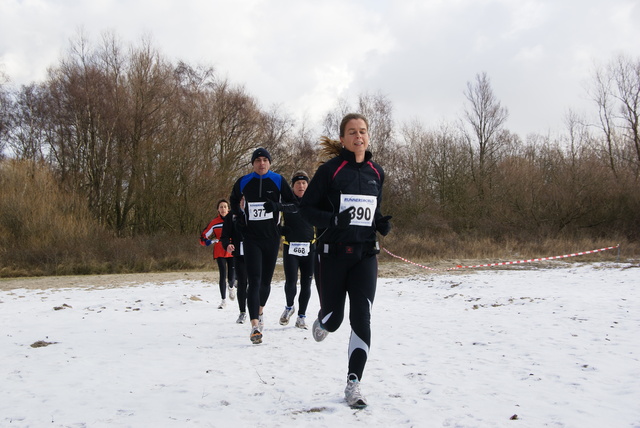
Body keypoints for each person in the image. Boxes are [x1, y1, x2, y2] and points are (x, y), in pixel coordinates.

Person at [300, 113, 392, 408]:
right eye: (352, 132)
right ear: (342, 139)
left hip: (365, 255)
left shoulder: (377, 172)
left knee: (361, 317)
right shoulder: (330, 170)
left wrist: (380, 222)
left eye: (362, 131)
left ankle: (354, 383)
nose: (358, 136)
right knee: (335, 319)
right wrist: (333, 220)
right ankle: (324, 319)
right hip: (332, 255)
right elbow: (306, 209)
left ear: (368, 136)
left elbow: (370, 208)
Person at [229, 148, 296, 344]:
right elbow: (233, 201)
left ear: (269, 163)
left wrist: (277, 207)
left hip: (271, 238)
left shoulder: (278, 180)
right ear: (252, 163)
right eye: (257, 160)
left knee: (265, 282)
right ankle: (255, 326)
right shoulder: (243, 181)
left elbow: (293, 205)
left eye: (265, 160)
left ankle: (260, 311)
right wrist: (240, 217)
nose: (261, 163)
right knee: (254, 281)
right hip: (251, 238)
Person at [278, 171, 315, 329]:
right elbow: (274, 221)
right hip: (291, 248)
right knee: (291, 282)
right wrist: (280, 230)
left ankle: (301, 317)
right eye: (298, 183)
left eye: (304, 183)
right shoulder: (286, 202)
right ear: (293, 186)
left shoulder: (313, 201)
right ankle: (289, 307)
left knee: (306, 284)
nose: (301, 186)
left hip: (309, 248)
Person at [200, 199, 236, 309]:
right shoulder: (214, 222)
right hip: (220, 250)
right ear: (218, 209)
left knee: (231, 276)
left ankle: (231, 287)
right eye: (221, 207)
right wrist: (209, 241)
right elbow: (203, 236)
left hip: (233, 250)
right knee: (222, 275)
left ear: (228, 209)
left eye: (225, 207)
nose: (223, 209)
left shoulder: (234, 219)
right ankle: (223, 301)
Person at [220, 196, 249, 324]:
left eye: (246, 199)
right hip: (239, 254)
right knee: (242, 282)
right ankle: (242, 312)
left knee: (255, 283)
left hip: (255, 253)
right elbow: (224, 235)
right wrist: (227, 245)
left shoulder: (255, 212)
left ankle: (258, 312)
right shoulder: (231, 216)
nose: (243, 202)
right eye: (240, 199)